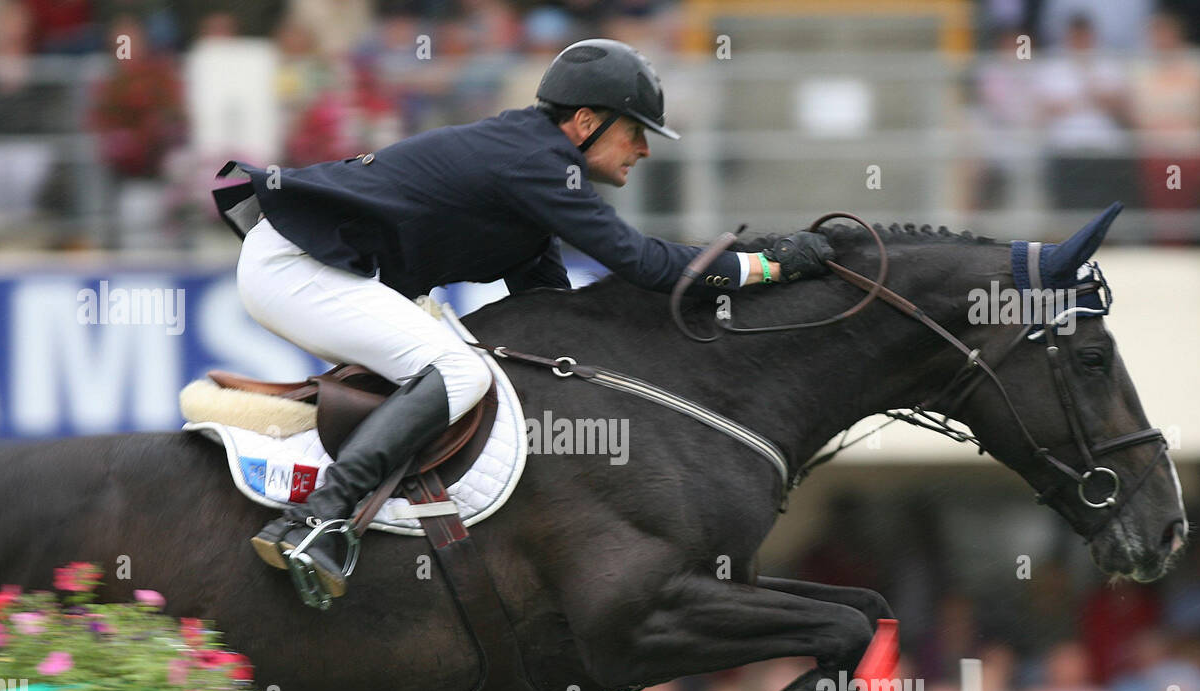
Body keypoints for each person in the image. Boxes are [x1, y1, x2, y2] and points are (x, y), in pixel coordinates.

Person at [214, 38, 833, 597]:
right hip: (297, 265)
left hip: (321, 266)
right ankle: (317, 517)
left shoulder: (534, 168)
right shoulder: (537, 163)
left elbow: (551, 311)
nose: (644, 149)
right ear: (585, 122)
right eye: (635, 131)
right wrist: (766, 267)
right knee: (460, 373)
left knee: (468, 370)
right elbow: (643, 261)